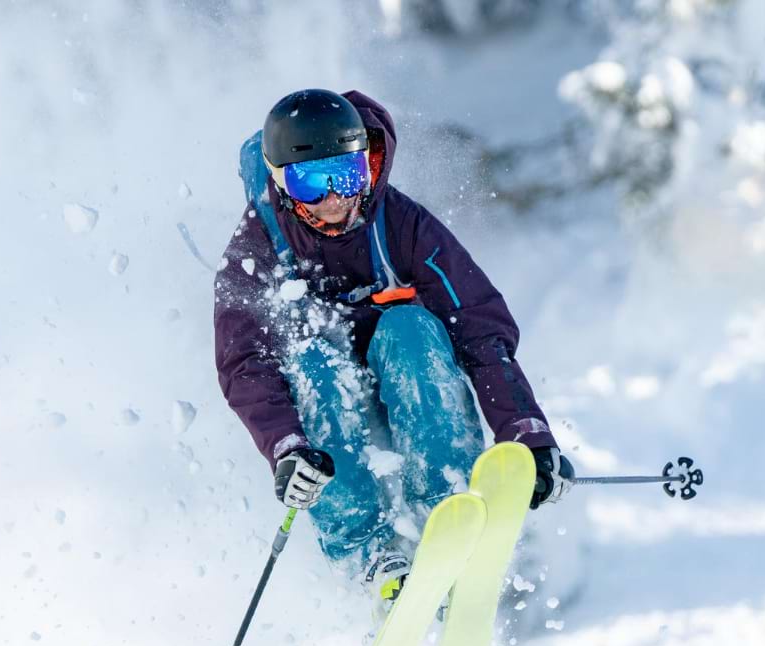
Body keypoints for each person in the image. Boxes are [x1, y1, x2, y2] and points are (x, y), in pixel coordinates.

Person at [213, 88, 573, 607]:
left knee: (410, 327)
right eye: (313, 182)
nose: (335, 198)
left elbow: (478, 326)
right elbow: (244, 364)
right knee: (312, 357)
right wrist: (285, 448)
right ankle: (368, 552)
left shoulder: (400, 223)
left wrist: (525, 431)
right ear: (281, 183)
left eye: (348, 175)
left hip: (410, 383)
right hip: (329, 410)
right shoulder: (256, 247)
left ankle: (450, 509)